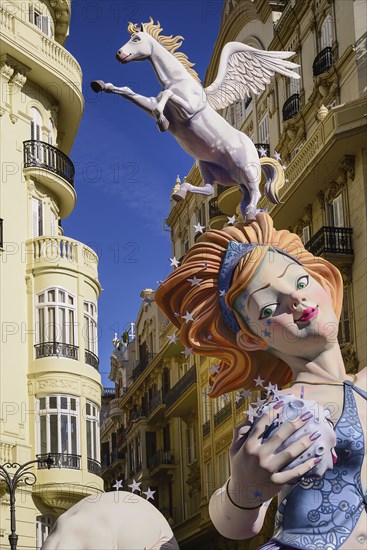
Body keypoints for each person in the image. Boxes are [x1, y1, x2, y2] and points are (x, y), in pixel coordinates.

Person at [155, 213, 366, 550]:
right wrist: (244, 488)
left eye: (299, 282)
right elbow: (236, 526)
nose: (296, 300)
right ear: (252, 339)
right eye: (269, 309)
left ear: (322, 282)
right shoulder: (284, 408)